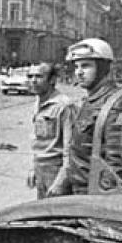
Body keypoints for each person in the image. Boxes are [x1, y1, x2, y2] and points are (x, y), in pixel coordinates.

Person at [48, 38, 122, 196]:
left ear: (104, 68)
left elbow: (116, 165)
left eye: (86, 66)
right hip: (78, 189)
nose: (79, 72)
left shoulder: (114, 104)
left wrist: (101, 200)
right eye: (76, 66)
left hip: (94, 193)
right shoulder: (90, 101)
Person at [26, 62, 74, 199]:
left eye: (39, 76)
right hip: (40, 168)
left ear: (52, 80)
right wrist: (33, 169)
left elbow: (69, 148)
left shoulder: (64, 106)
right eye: (30, 76)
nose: (33, 81)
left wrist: (61, 181)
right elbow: (37, 140)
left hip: (55, 170)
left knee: (58, 216)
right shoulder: (38, 103)